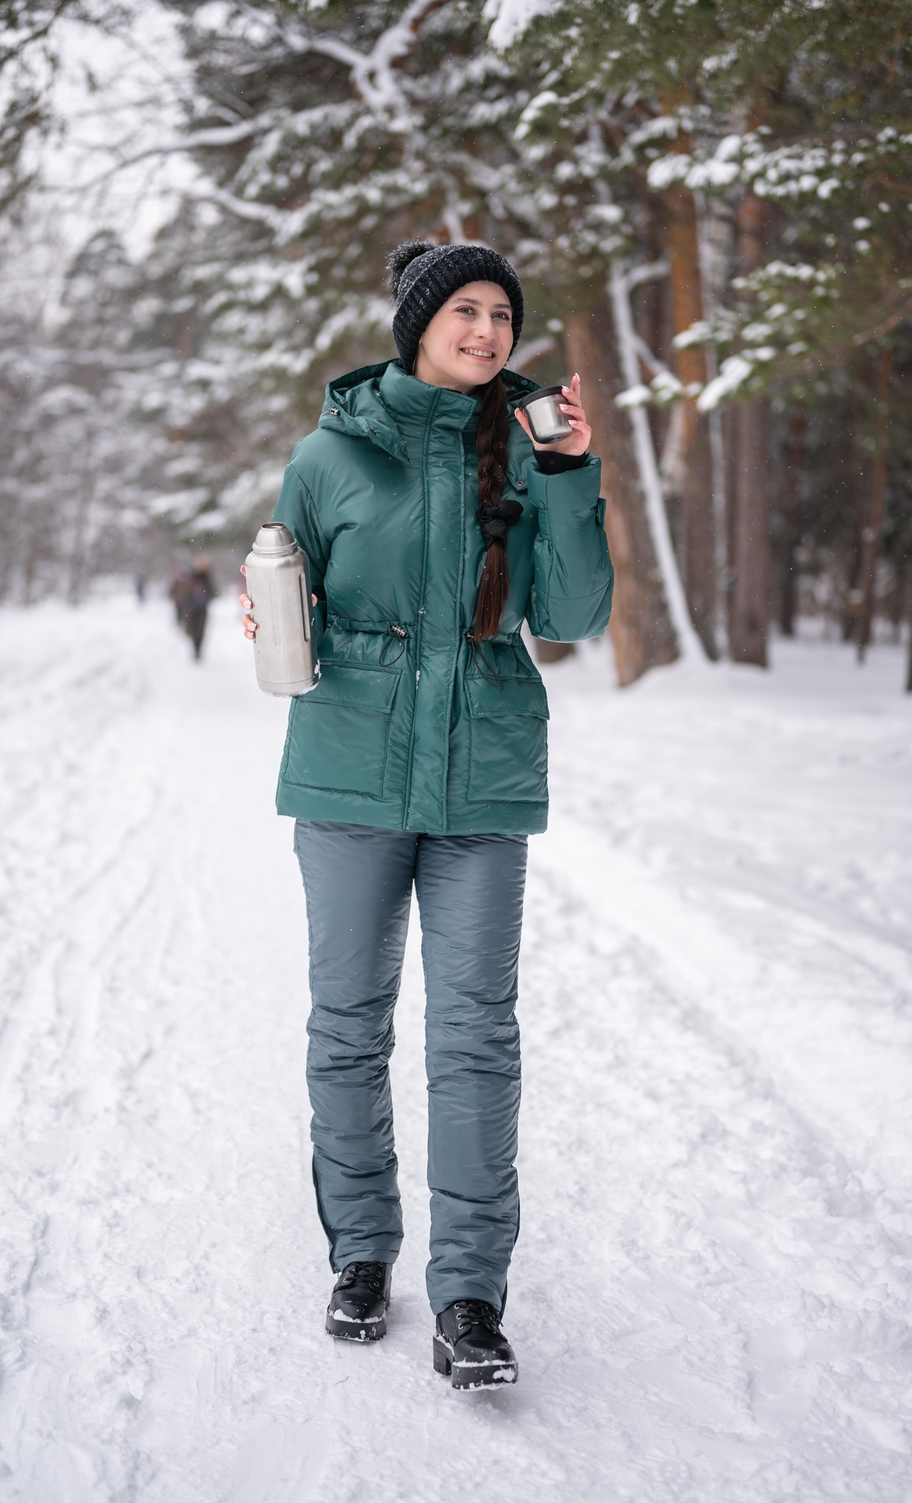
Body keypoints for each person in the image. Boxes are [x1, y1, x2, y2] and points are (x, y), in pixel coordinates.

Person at [239, 241, 613, 1389]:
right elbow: (279, 577)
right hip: (350, 766)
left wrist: (569, 473)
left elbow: (578, 613)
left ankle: (469, 1294)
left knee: (474, 1037)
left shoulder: (527, 445)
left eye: (503, 313)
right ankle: (360, 1252)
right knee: (348, 1025)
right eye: (465, 309)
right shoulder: (331, 451)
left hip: (483, 774)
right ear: (415, 324)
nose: (490, 330)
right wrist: (268, 612)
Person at [181, 556, 216, 661]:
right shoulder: (193, 577)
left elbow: (212, 592)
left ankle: (197, 650)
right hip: (193, 609)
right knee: (194, 631)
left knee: (199, 631)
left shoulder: (206, 578)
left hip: (200, 609)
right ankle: (196, 650)